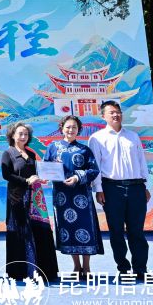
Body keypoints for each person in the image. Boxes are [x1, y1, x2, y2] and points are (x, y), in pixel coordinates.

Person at [89, 100, 150, 279]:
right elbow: (95, 166)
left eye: (118, 112)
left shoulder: (133, 136)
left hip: (136, 187)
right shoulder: (97, 138)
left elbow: (141, 161)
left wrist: (145, 185)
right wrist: (98, 189)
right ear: (103, 116)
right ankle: (123, 267)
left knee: (136, 231)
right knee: (116, 231)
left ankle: (140, 268)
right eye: (111, 112)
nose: (116, 115)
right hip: (111, 188)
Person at [43, 115, 104, 278]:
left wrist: (77, 177)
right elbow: (45, 167)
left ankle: (87, 267)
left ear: (79, 130)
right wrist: (46, 174)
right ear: (62, 128)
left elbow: (93, 170)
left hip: (81, 196)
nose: (71, 130)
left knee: (85, 227)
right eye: (68, 127)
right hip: (62, 196)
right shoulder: (52, 147)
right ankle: (76, 266)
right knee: (68, 228)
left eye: (74, 127)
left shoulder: (85, 149)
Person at [1, 122, 59, 281]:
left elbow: (35, 174)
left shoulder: (31, 154)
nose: (23, 136)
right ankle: (20, 271)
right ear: (13, 135)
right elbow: (6, 175)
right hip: (17, 198)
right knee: (19, 232)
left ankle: (41, 270)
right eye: (20, 133)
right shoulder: (8, 153)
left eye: (26, 134)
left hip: (34, 198)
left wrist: (41, 179)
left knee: (38, 231)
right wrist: (26, 181)